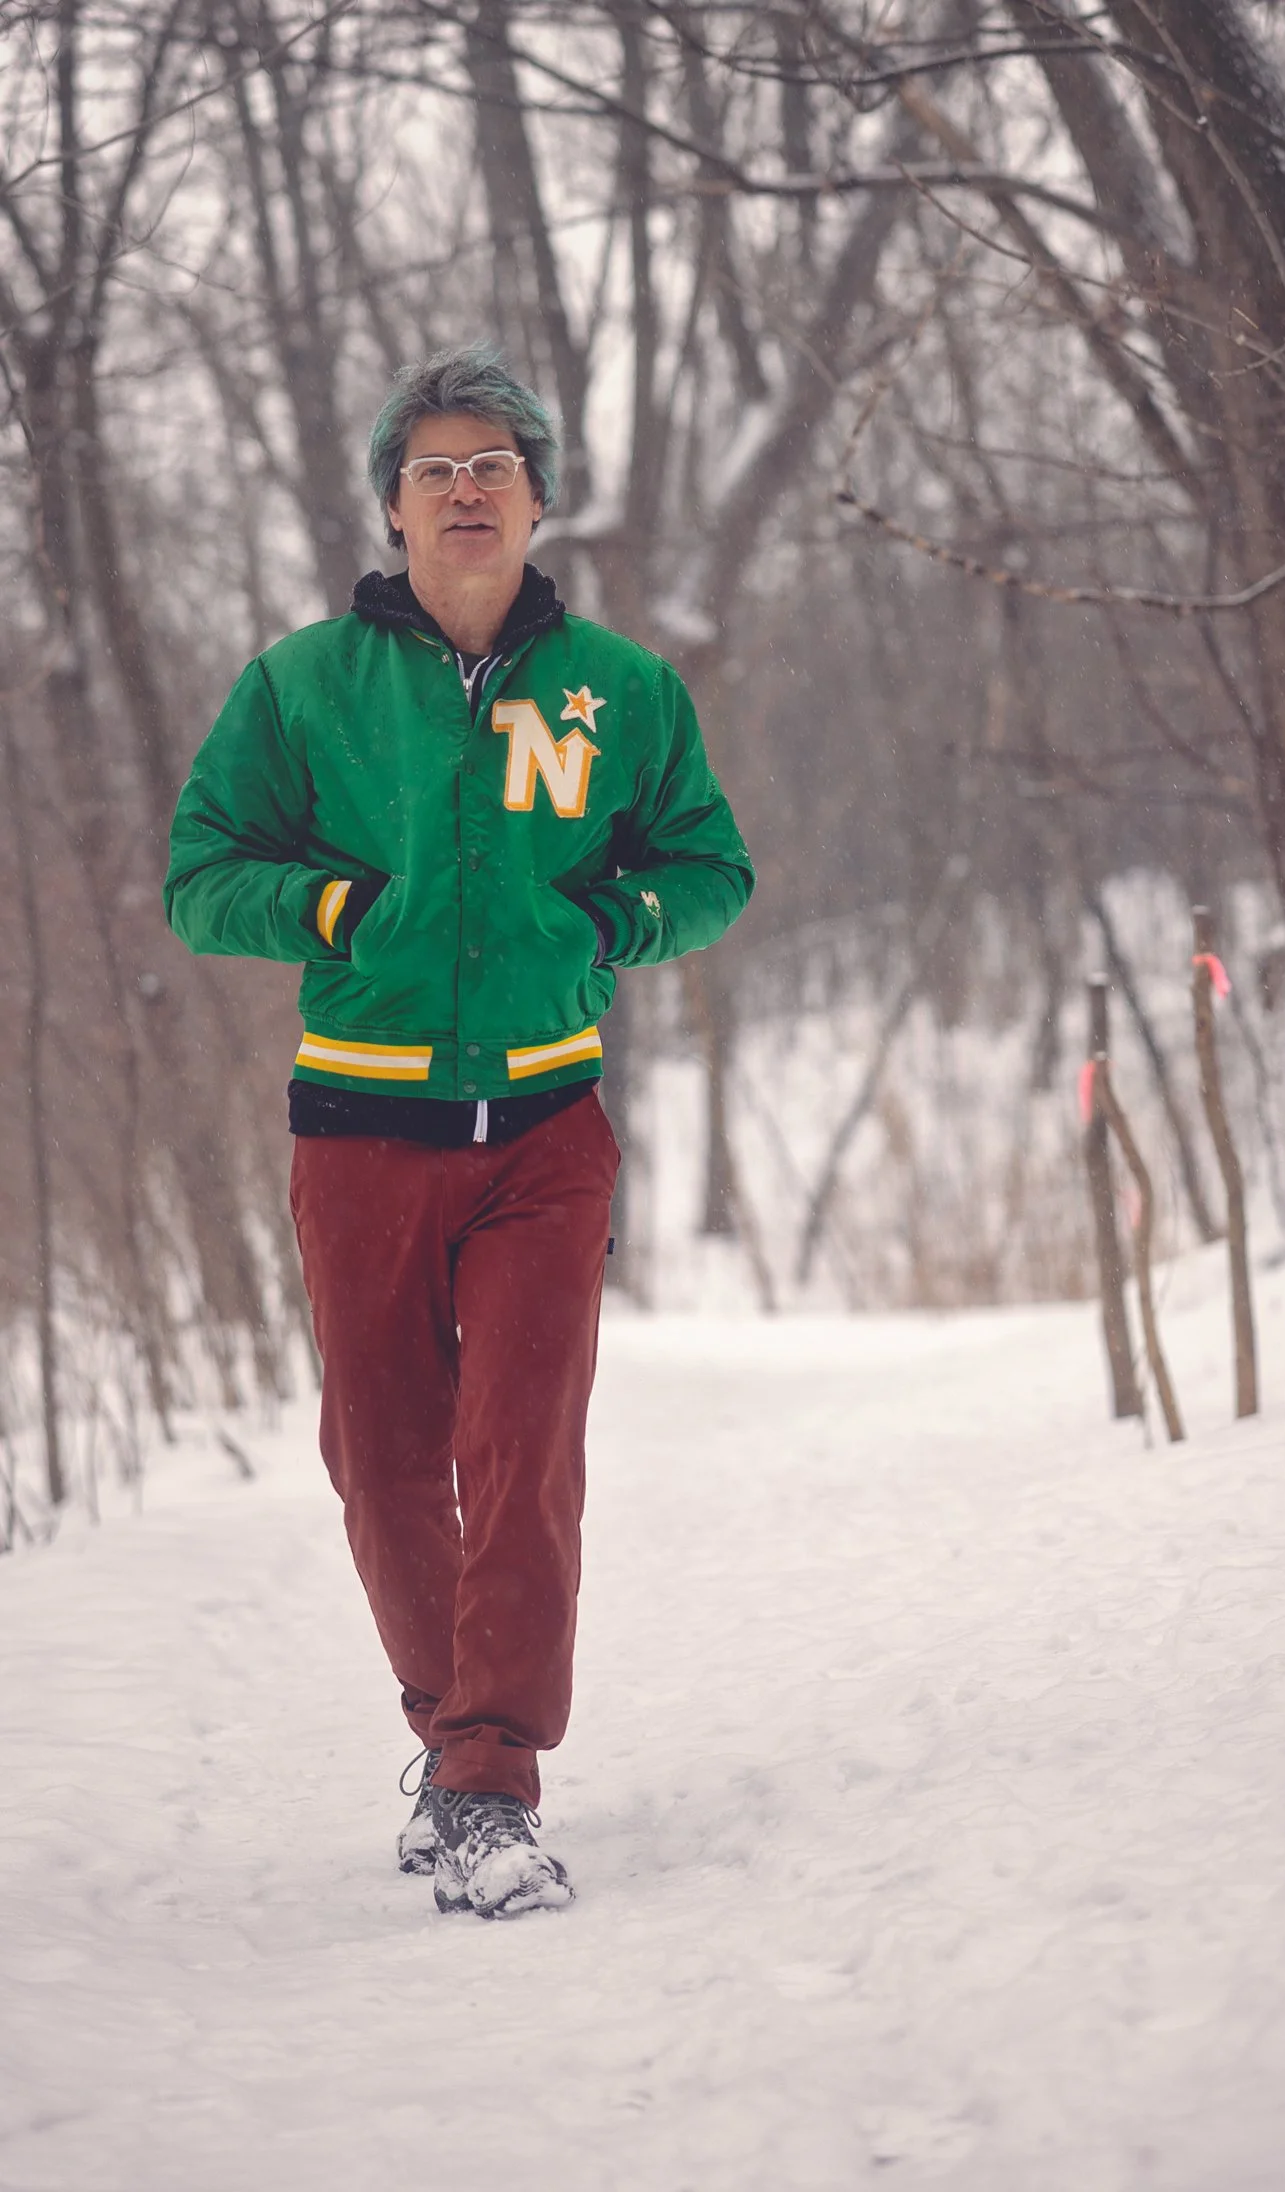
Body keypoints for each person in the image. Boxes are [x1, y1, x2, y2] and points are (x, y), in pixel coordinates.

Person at [164, 342, 754, 1919]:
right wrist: (335, 902)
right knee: (380, 1462)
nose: (467, 488)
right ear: (392, 508)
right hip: (359, 1129)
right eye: (435, 468)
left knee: (522, 1457)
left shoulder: (619, 691)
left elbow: (710, 867)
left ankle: (493, 1784)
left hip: (547, 1132)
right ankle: (455, 1740)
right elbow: (200, 875)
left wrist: (611, 923)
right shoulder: (301, 686)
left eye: (494, 463)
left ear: (543, 498)